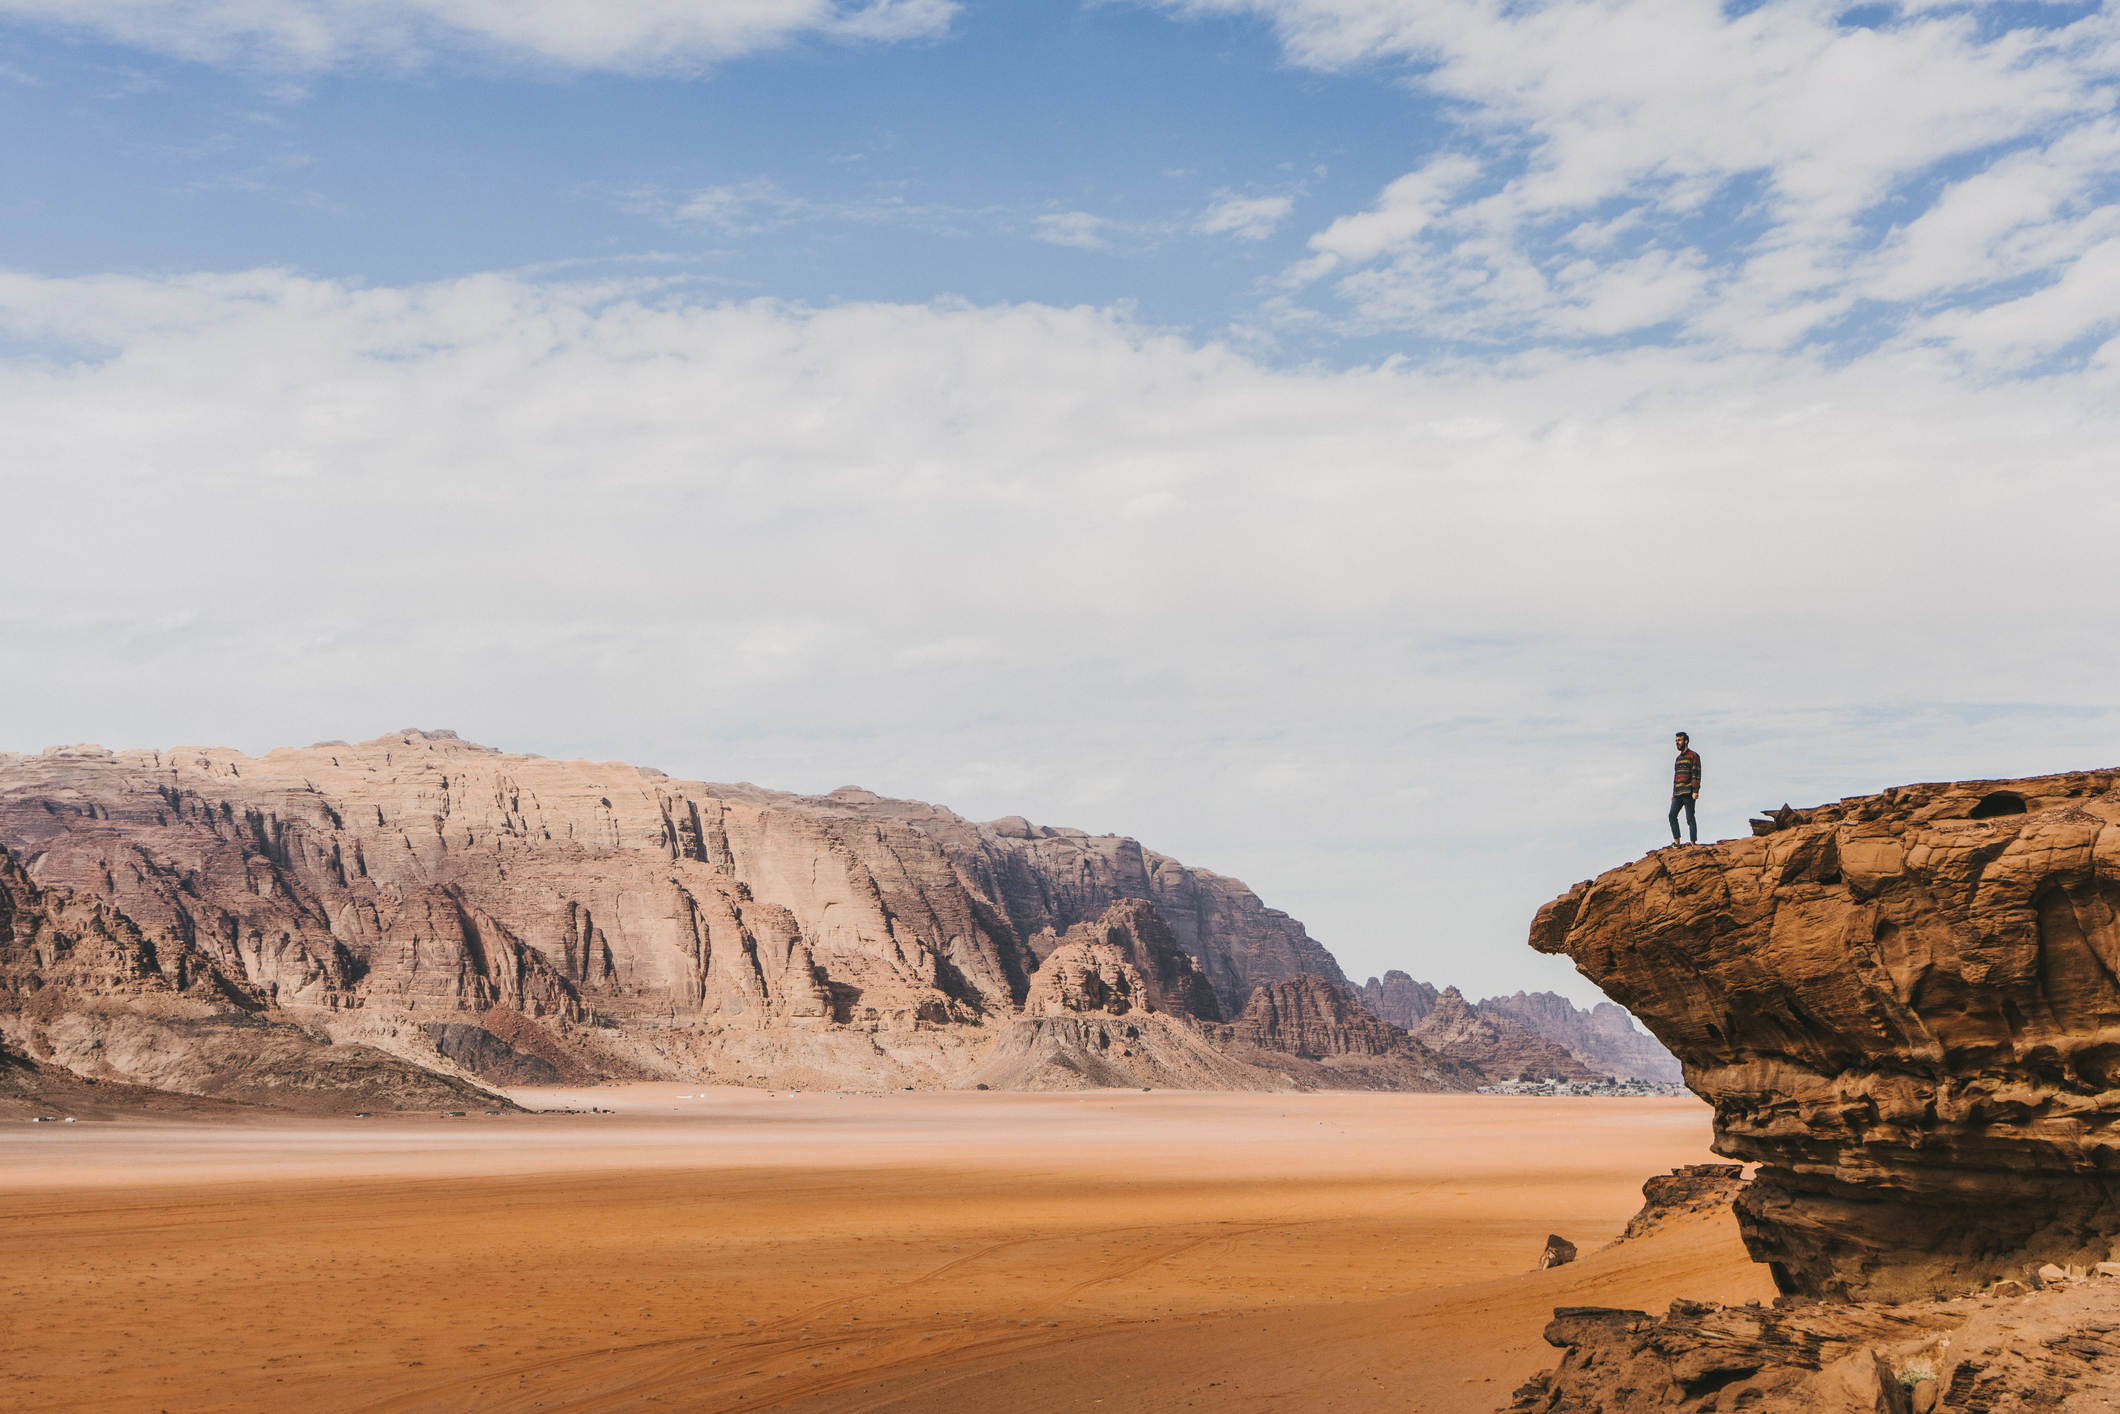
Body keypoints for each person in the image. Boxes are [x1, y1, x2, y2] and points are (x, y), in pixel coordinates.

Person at [1669, 732, 1701, 845]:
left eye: (1679, 740)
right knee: (1672, 816)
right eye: (1676, 740)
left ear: (1686, 741)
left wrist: (1695, 791)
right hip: (1678, 793)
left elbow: (1696, 774)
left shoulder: (1693, 756)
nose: (1677, 742)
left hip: (1688, 792)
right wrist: (1673, 794)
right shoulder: (1678, 759)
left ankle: (1693, 842)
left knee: (1690, 818)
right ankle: (1677, 842)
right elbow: (1676, 777)